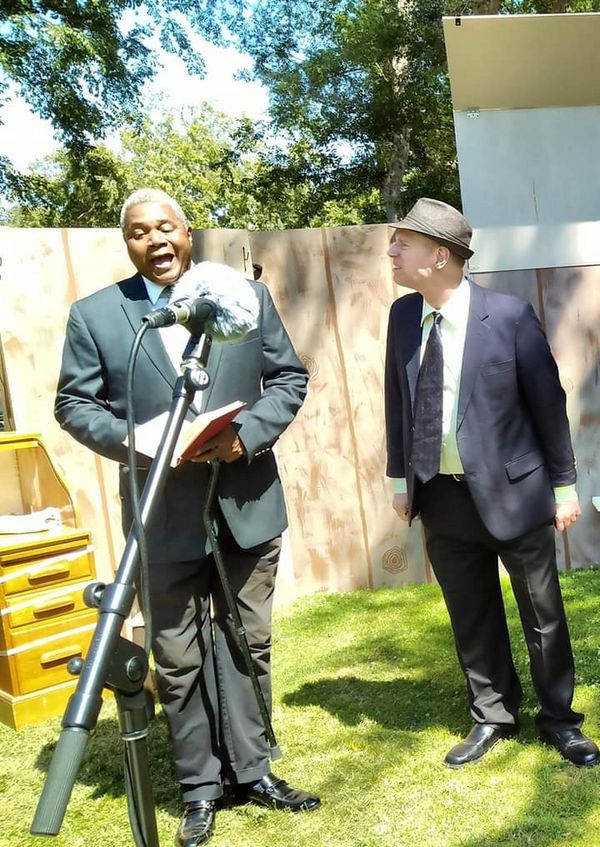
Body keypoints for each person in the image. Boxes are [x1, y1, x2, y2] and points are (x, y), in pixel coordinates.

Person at [55, 188, 320, 847]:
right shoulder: (97, 316)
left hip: (245, 502)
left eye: (166, 226)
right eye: (141, 231)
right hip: (161, 511)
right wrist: (138, 441)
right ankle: (201, 787)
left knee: (245, 641)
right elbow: (74, 404)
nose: (157, 240)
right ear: (128, 243)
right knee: (175, 654)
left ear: (188, 230)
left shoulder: (244, 299)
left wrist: (248, 433)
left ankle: (254, 770)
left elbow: (288, 377)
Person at [384, 197, 599, 769]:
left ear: (439, 255)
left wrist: (563, 486)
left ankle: (560, 719)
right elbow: (397, 401)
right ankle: (493, 714)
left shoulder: (506, 316)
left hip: (514, 491)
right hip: (441, 493)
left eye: (403, 243)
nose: (392, 251)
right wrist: (400, 480)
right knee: (470, 611)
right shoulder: (403, 318)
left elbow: (547, 405)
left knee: (542, 614)